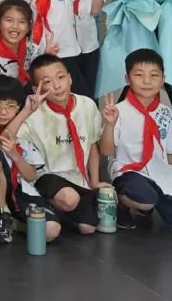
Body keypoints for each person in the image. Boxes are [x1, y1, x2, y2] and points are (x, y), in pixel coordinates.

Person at [16, 54, 108, 235]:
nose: (57, 85)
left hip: (76, 178)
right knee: (69, 198)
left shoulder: (87, 105)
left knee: (88, 228)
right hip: (46, 176)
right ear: (36, 88)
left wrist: (94, 180)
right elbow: (9, 140)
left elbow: (92, 144)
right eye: (47, 82)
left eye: (60, 77)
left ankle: (59, 212)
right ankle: (41, 210)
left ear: (70, 78)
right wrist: (25, 112)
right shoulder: (34, 114)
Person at [0, 75, 61, 243]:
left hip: (17, 190)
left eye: (10, 106)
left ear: (18, 107)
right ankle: (2, 212)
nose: (3, 112)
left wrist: (15, 154)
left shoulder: (24, 129)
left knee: (50, 230)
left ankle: (14, 224)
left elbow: (31, 176)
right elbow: (5, 137)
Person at [100, 49, 172, 231]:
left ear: (162, 80)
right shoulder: (119, 111)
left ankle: (155, 200)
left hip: (161, 175)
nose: (146, 81)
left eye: (154, 75)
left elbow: (171, 154)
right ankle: (122, 203)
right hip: (129, 171)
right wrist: (110, 124)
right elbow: (106, 151)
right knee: (146, 199)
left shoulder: (167, 113)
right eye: (139, 75)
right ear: (127, 79)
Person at [0, 0, 50, 85]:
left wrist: (47, 60)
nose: (15, 26)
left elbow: (42, 80)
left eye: (22, 22)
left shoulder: (33, 50)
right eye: (9, 20)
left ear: (28, 27)